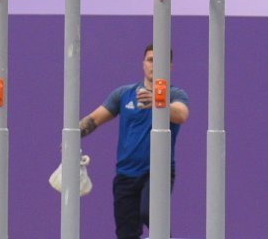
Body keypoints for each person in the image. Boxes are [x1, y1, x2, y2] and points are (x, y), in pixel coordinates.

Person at [80, 44, 190, 239]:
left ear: (170, 67)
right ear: (143, 64)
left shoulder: (174, 95)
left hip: (158, 171)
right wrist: (73, 136)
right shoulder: (124, 94)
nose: (154, 65)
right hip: (125, 174)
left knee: (150, 212)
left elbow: (181, 114)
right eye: (150, 60)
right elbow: (94, 119)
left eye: (161, 61)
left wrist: (158, 102)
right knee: (125, 233)